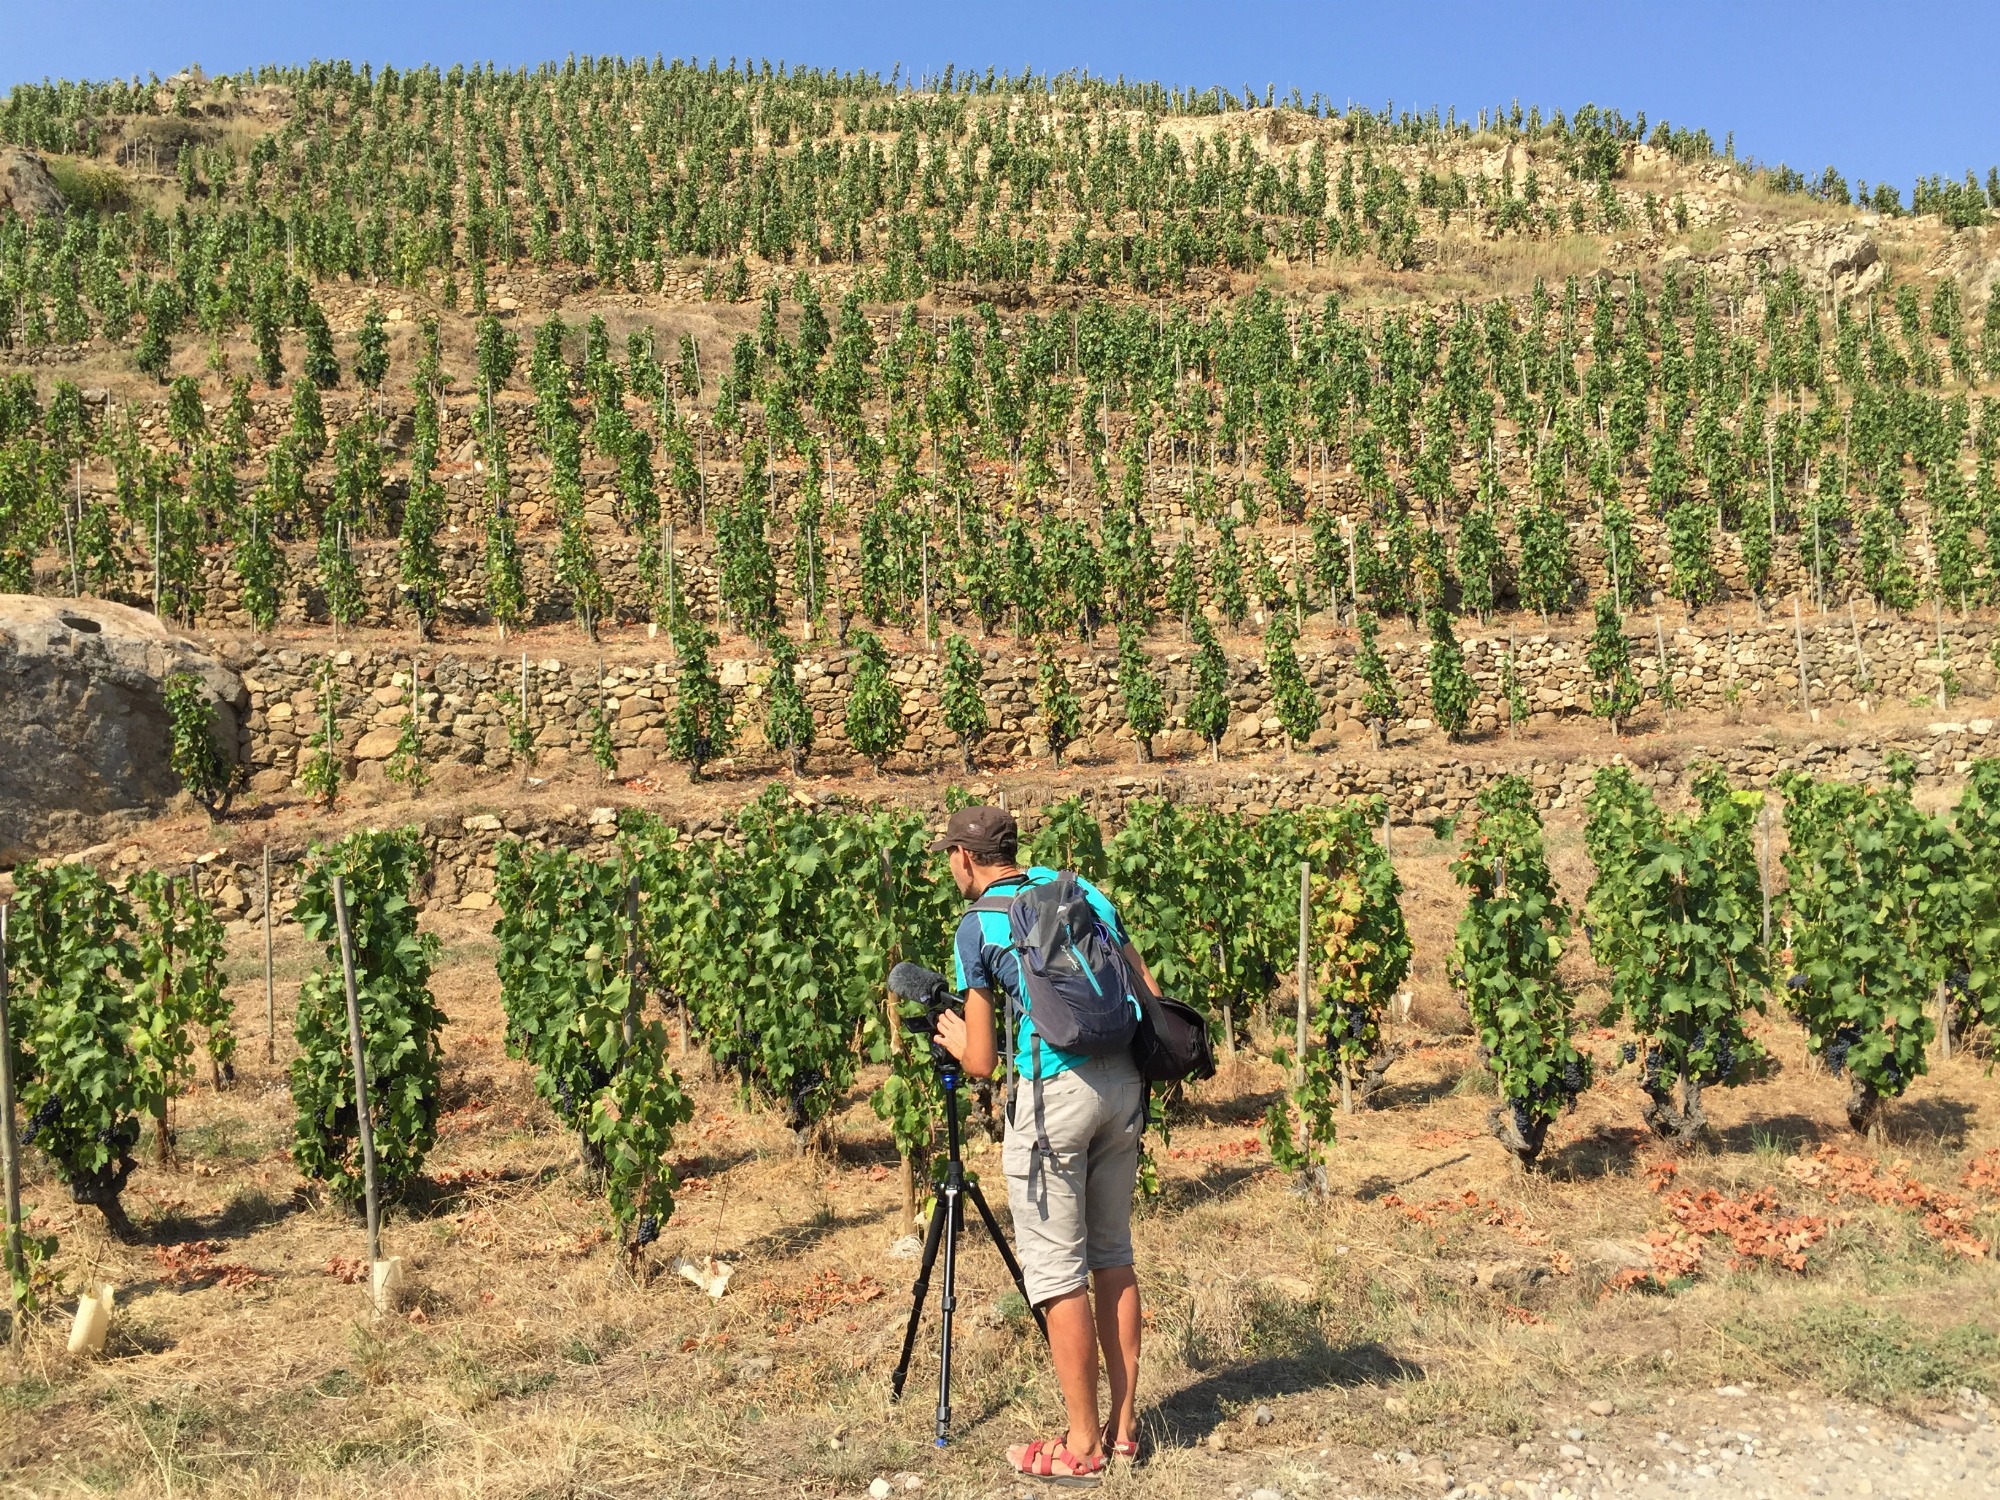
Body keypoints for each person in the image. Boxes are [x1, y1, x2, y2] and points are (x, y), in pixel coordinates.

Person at [929, 804, 1158, 1485]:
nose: (949, 868)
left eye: (949, 856)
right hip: (1121, 1086)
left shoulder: (978, 926)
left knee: (1058, 1274)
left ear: (967, 858)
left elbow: (980, 1062)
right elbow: (1146, 989)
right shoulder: (1083, 892)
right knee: (1114, 1256)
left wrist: (951, 1037)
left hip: (1053, 1101)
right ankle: (1124, 1429)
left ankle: (1081, 1445)